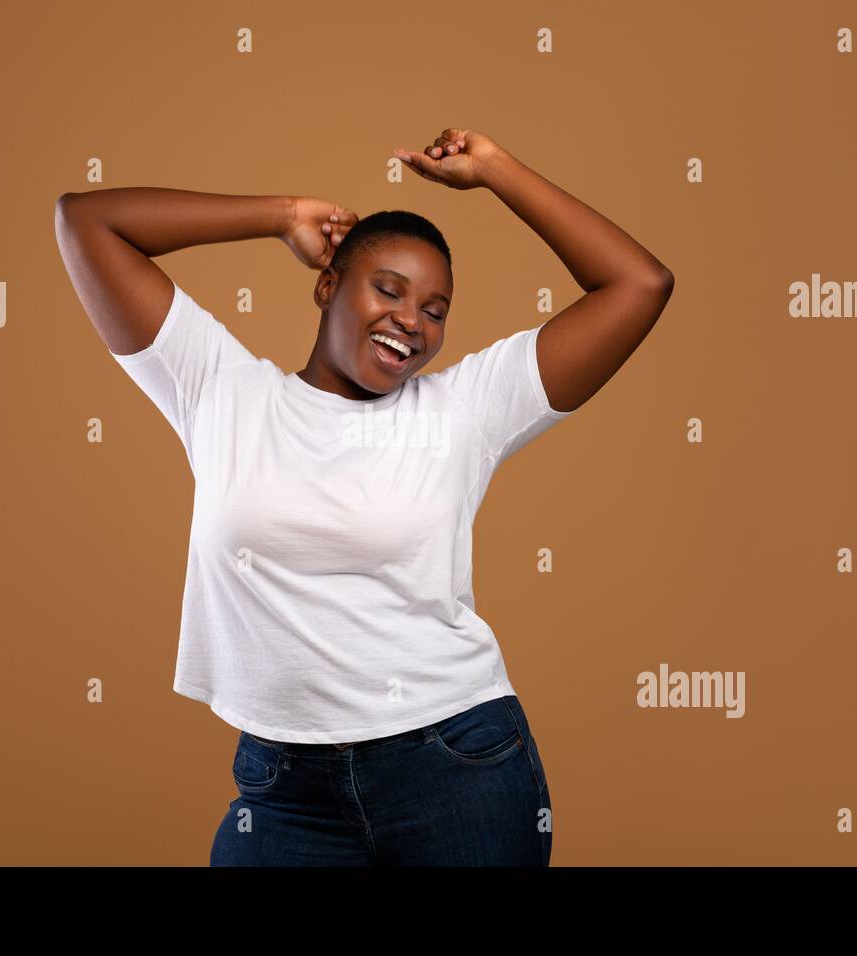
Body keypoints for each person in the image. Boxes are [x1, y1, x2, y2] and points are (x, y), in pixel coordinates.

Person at [54, 127, 673, 866]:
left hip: (456, 770)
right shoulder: (221, 391)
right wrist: (280, 215)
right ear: (327, 285)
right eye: (388, 288)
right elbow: (87, 222)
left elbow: (639, 284)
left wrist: (497, 171)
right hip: (285, 791)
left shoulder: (463, 411)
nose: (412, 320)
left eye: (436, 309)